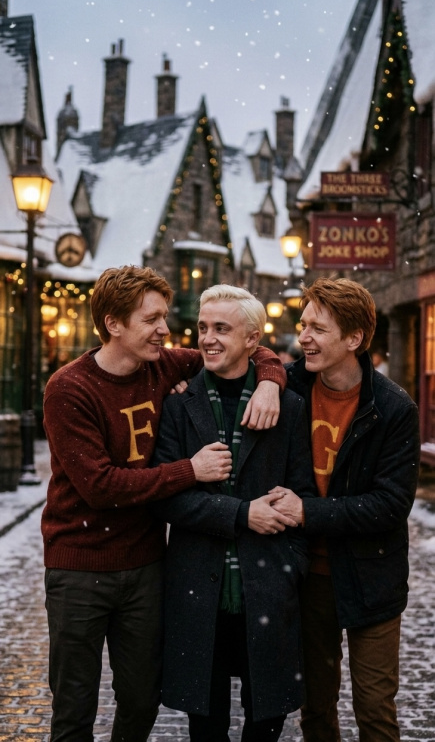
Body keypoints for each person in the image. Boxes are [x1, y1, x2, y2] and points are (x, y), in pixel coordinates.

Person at [42, 265, 288, 742]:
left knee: (142, 699)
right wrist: (189, 470)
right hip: (79, 568)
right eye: (151, 319)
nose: (164, 330)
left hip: (146, 566)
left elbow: (248, 348)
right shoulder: (69, 388)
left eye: (165, 318)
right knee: (74, 704)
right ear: (113, 324)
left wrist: (270, 382)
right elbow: (100, 486)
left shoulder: (162, 366)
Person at [151, 284, 316, 742]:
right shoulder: (177, 404)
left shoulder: (288, 407)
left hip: (267, 589)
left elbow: (302, 494)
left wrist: (292, 567)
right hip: (198, 592)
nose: (208, 338)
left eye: (222, 329)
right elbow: (168, 498)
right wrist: (242, 514)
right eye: (203, 328)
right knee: (206, 728)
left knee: (266, 724)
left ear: (252, 339)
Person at [270, 276, 420, 742]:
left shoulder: (393, 408)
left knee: (374, 710)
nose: (304, 337)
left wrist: (307, 512)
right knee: (316, 709)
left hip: (371, 576)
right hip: (306, 578)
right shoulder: (286, 386)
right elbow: (232, 360)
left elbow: (390, 505)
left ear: (354, 339)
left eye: (318, 329)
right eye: (303, 325)